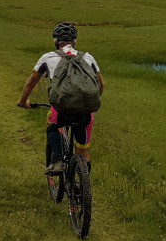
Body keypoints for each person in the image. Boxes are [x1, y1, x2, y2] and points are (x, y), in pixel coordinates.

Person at [18, 22, 104, 175]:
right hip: (85, 112)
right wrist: (90, 103)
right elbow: (100, 83)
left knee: (52, 126)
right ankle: (82, 188)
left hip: (61, 110)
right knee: (83, 152)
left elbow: (30, 83)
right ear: (74, 42)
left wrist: (23, 102)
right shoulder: (88, 57)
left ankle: (58, 160)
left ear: (56, 42)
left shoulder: (48, 57)